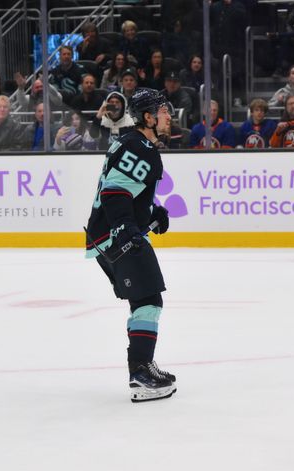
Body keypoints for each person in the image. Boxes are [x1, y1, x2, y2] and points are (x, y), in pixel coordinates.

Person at [83, 88, 176, 403]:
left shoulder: (132, 142)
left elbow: (125, 189)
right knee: (149, 299)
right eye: (162, 111)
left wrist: (151, 214)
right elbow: (113, 193)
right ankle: (139, 372)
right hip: (116, 238)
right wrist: (125, 227)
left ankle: (143, 365)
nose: (168, 116)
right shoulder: (141, 147)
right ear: (148, 117)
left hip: (109, 235)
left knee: (145, 299)